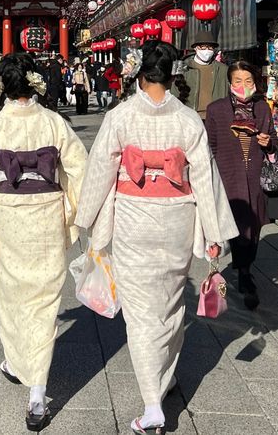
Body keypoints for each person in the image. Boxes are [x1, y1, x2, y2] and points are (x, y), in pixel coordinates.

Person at [75, 41, 238, 435]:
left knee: (142, 314)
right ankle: (162, 382)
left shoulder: (121, 116)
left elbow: (100, 168)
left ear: (140, 74)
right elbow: (204, 176)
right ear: (171, 75)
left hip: (135, 220)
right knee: (168, 305)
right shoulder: (187, 120)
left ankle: (152, 405)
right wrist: (215, 233)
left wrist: (85, 216)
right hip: (178, 218)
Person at [0, 54, 87, 432]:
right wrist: (89, 214)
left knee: (11, 296)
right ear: (34, 83)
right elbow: (81, 168)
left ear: (1, 88)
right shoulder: (55, 123)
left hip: (8, 216)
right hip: (46, 214)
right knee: (45, 299)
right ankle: (36, 389)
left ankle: (20, 366)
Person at [205, 60, 277, 310]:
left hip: (255, 176)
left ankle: (245, 265)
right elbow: (211, 145)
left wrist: (268, 142)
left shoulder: (262, 108)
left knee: (254, 225)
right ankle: (244, 272)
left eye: (248, 81)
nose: (243, 85)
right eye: (238, 81)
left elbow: (274, 140)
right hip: (229, 177)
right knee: (235, 225)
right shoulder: (217, 110)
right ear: (230, 83)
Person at [175, 30, 228, 119]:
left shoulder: (223, 69)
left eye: (210, 47)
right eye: (203, 47)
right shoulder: (183, 67)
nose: (207, 50)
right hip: (190, 116)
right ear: (195, 48)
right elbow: (174, 92)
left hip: (216, 117)